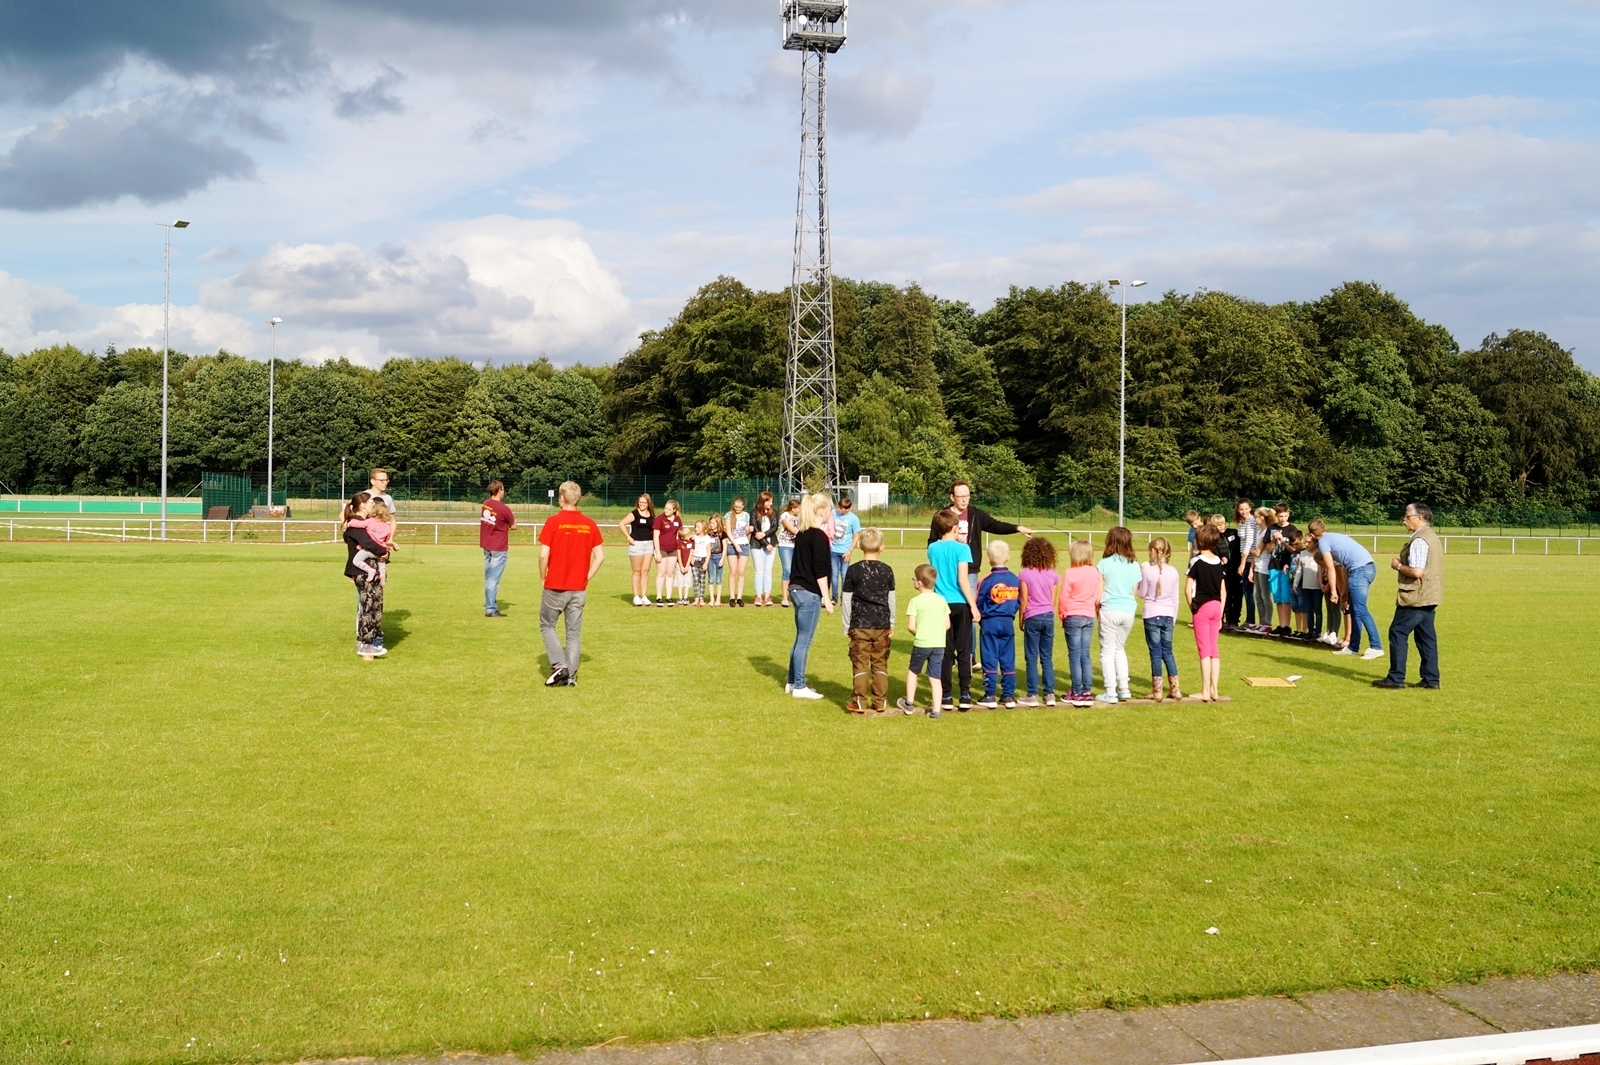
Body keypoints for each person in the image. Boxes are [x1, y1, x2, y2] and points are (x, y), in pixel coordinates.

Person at [537, 481, 605, 687]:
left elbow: (543, 555)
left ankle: (560, 666)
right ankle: (571, 678)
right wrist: (586, 577)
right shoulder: (589, 524)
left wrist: (542, 576)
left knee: (547, 625)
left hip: (555, 585)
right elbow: (600, 557)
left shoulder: (553, 522)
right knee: (573, 633)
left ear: (561, 498)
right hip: (578, 588)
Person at [1374, 503, 1443, 690]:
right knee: (1426, 638)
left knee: (1397, 632)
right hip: (1430, 595)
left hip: (1415, 597)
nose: (1404, 520)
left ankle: (1396, 678)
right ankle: (1431, 679)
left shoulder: (1420, 540)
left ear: (1419, 518)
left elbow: (1417, 571)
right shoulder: (1432, 537)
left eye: (1407, 516)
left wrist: (1397, 565)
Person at [926, 481, 1033, 597]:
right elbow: (932, 542)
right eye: (961, 496)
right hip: (946, 570)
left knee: (970, 603)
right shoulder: (941, 516)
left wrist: (1017, 528)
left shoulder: (976, 515)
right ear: (952, 497)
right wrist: (950, 541)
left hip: (970, 570)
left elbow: (996, 525)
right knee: (945, 605)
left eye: (967, 496)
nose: (964, 500)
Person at [1308, 518, 1385, 660]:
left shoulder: (1323, 541)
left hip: (1360, 571)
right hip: (1366, 568)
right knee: (1355, 610)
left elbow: (1330, 568)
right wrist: (1344, 592)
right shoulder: (1334, 536)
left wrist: (1333, 592)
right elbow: (1344, 567)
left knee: (1360, 609)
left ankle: (1376, 646)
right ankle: (1353, 647)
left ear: (1312, 535)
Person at [928, 508, 980, 711]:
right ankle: (965, 694)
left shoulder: (932, 548)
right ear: (955, 528)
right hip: (960, 603)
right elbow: (963, 580)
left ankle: (947, 695)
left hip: (941, 605)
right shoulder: (962, 549)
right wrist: (973, 606)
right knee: (964, 650)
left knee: (945, 651)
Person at [785, 492, 835, 700]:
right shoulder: (819, 536)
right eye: (829, 510)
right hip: (809, 593)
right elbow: (820, 571)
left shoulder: (802, 534)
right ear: (821, 511)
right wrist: (827, 598)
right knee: (805, 640)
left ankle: (791, 682)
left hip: (796, 589)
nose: (830, 515)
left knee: (800, 638)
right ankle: (799, 686)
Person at [841, 527, 895, 714]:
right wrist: (892, 623)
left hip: (859, 624)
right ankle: (880, 701)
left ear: (860, 546)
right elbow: (891, 600)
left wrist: (846, 625)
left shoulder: (853, 570)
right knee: (880, 663)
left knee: (860, 663)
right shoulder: (887, 570)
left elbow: (846, 599)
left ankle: (859, 701)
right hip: (882, 624)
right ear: (882, 547)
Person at [1096, 526, 1140, 704]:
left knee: (1107, 651)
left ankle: (1110, 691)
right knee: (1119, 649)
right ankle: (1124, 687)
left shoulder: (1104, 563)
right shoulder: (1134, 564)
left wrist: (1097, 607)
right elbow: (1134, 590)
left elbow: (1099, 590)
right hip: (1128, 610)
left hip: (1109, 608)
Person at [899, 564, 950, 718]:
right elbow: (947, 625)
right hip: (939, 644)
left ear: (919, 583)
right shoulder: (941, 600)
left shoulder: (915, 601)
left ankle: (909, 703)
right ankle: (936, 710)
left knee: (913, 671)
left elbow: (911, 626)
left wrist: (920, 632)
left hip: (922, 643)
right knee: (935, 677)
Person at [342, 491, 388, 660]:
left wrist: (384, 553)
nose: (372, 505)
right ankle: (365, 644)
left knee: (376, 605)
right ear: (362, 505)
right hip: (362, 571)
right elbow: (369, 544)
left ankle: (374, 640)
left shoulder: (366, 523)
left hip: (373, 568)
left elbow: (377, 542)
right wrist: (384, 551)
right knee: (367, 607)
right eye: (370, 503)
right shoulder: (356, 525)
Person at [976, 539, 1021, 708]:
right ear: (1008, 557)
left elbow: (979, 601)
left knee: (989, 656)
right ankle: (1008, 695)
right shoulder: (1015, 579)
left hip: (990, 622)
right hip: (1008, 621)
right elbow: (1019, 601)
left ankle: (990, 694)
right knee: (1008, 657)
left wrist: (982, 615)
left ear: (988, 559)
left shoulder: (986, 580)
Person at [1016, 536, 1060, 707]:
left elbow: (1024, 599)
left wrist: (1021, 617)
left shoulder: (1025, 574)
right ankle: (1049, 693)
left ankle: (1032, 693)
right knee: (1047, 657)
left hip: (1032, 616)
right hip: (1048, 615)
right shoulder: (1053, 574)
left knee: (1031, 657)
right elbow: (1053, 599)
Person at [1059, 540, 1101, 708]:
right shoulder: (1094, 572)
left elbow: (1064, 597)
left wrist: (1062, 615)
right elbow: (1096, 595)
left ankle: (1076, 691)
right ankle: (1086, 691)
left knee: (1075, 656)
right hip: (1088, 615)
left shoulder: (1070, 573)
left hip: (1073, 615)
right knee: (1085, 655)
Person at [1187, 523, 1227, 702]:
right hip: (1217, 606)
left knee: (1204, 650)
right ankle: (1214, 689)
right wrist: (1221, 613)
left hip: (1202, 607)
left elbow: (1187, 589)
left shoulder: (1196, 562)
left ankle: (1205, 691)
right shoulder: (1218, 561)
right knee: (1214, 650)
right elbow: (1223, 590)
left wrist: (1193, 607)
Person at [1139, 535, 1181, 701]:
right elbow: (1175, 598)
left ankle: (1157, 691)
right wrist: (1174, 618)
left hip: (1151, 614)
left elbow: (1142, 593)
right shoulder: (1174, 571)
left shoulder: (1148, 571)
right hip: (1168, 614)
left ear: (1153, 551)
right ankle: (1175, 689)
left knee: (1155, 653)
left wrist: (1141, 573)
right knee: (1168, 652)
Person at [479, 480, 515, 617]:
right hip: (498, 547)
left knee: (489, 577)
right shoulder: (503, 508)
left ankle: (491, 604)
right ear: (499, 490)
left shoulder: (485, 504)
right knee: (493, 579)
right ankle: (491, 609)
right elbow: (514, 525)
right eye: (503, 489)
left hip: (486, 545)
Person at [1265, 503, 1301, 635]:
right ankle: (1281, 624)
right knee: (1277, 596)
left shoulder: (1292, 529)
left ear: (1288, 514)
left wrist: (1283, 541)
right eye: (1280, 516)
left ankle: (1287, 626)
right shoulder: (1271, 528)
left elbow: (1294, 550)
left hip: (1286, 566)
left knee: (1286, 597)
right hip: (1274, 565)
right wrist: (1274, 540)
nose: (1282, 519)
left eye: (1285, 516)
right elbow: (1268, 550)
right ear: (1276, 515)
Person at [619, 493, 655, 607]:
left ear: (648, 503)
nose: (642, 504)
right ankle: (636, 596)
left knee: (645, 571)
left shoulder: (651, 515)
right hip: (636, 544)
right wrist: (628, 537)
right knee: (637, 571)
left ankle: (644, 595)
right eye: (640, 502)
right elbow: (622, 524)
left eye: (644, 502)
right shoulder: (634, 514)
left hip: (649, 544)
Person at [1232, 499, 1259, 629]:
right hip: (1244, 558)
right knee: (1246, 591)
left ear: (1250, 508)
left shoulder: (1251, 521)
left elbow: (1249, 543)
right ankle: (1249, 620)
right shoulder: (1243, 522)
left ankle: (1251, 621)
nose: (1244, 512)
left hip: (1249, 560)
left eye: (1246, 509)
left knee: (1248, 592)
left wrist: (1243, 564)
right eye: (1241, 509)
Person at [829, 496, 861, 605]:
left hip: (845, 551)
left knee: (844, 574)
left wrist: (850, 551)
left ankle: (844, 598)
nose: (839, 510)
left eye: (842, 508)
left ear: (848, 509)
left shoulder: (854, 518)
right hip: (833, 550)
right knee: (834, 574)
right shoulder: (833, 513)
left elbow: (856, 535)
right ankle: (834, 597)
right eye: (839, 507)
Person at [652, 499, 684, 607]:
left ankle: (669, 597)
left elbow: (680, 534)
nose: (666, 510)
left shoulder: (678, 520)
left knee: (670, 573)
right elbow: (655, 536)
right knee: (661, 573)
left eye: (669, 509)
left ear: (674, 510)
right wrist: (657, 552)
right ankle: (659, 597)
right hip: (661, 549)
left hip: (673, 550)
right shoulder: (659, 519)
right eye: (665, 508)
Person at [750, 492, 778, 606]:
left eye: (772, 501)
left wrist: (765, 535)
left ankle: (767, 596)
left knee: (768, 571)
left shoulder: (774, 512)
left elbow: (775, 527)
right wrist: (766, 544)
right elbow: (756, 531)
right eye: (769, 501)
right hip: (757, 545)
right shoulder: (754, 512)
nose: (771, 503)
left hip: (771, 544)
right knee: (759, 571)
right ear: (763, 501)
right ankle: (758, 596)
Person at [1250, 506, 1275, 633]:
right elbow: (1255, 553)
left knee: (1265, 596)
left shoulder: (1267, 532)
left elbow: (1258, 552)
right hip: (1258, 566)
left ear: (1262, 517)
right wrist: (1251, 569)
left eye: (1256, 517)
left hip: (1265, 566)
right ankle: (1261, 622)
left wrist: (1252, 551)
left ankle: (1267, 623)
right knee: (1257, 595)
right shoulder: (1259, 531)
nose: (1254, 519)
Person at [1291, 535, 1321, 639]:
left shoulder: (1320, 553)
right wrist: (1295, 584)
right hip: (1306, 586)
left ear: (1315, 543)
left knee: (1317, 610)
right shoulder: (1303, 554)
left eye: (1309, 542)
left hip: (1318, 587)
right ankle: (1310, 631)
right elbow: (1299, 570)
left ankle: (1317, 632)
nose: (1307, 544)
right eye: (1306, 542)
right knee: (1309, 610)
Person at [725, 496, 751, 607]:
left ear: (743, 506)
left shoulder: (747, 515)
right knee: (733, 571)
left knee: (741, 572)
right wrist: (735, 545)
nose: (737, 509)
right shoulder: (729, 515)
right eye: (735, 506)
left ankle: (739, 597)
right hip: (732, 545)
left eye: (739, 507)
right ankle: (732, 597)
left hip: (744, 545)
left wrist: (749, 530)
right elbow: (728, 532)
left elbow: (746, 532)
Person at [777, 497, 800, 607]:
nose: (799, 510)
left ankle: (794, 596)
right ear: (793, 508)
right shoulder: (784, 516)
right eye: (798, 508)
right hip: (785, 545)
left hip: (796, 545)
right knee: (787, 570)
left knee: (795, 571)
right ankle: (785, 598)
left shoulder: (799, 517)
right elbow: (793, 530)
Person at [690, 520, 712, 606]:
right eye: (695, 526)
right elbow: (691, 548)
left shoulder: (707, 538)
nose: (696, 528)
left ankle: (701, 599)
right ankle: (696, 599)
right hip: (695, 560)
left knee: (702, 580)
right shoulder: (694, 537)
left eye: (698, 527)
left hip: (703, 560)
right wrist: (691, 557)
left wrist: (706, 562)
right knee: (695, 580)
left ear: (704, 528)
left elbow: (708, 551)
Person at [705, 513, 726, 607]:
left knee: (718, 579)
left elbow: (725, 547)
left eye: (713, 523)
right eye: (710, 523)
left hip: (719, 556)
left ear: (718, 523)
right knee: (711, 579)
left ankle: (718, 599)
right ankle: (712, 599)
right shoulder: (707, 534)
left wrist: (722, 559)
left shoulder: (722, 534)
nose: (711, 525)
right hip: (710, 557)